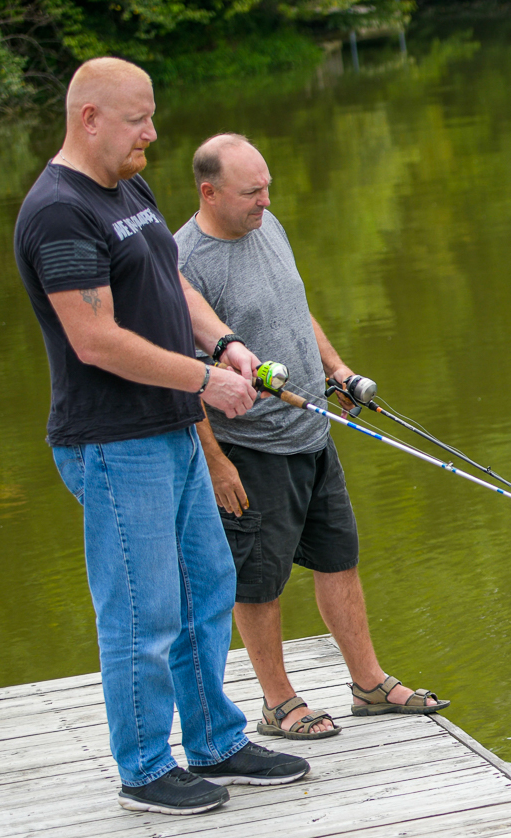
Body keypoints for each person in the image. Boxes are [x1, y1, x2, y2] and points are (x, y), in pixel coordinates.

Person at [14, 58, 310, 815]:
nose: (151, 133)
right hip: (114, 442)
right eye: (137, 119)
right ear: (90, 119)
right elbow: (95, 339)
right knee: (144, 611)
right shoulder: (58, 211)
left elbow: (171, 282)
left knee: (209, 588)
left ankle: (215, 740)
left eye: (151, 117)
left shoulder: (126, 188)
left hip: (170, 427)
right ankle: (144, 769)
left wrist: (225, 345)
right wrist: (204, 381)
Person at [175, 133, 448, 740]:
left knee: (339, 557)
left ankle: (369, 684)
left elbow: (296, 312)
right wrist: (215, 462)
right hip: (250, 449)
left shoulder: (266, 227)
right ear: (209, 192)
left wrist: (339, 373)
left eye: (267, 187)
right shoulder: (182, 264)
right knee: (259, 581)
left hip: (313, 429)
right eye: (252, 192)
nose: (265, 201)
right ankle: (278, 703)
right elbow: (181, 379)